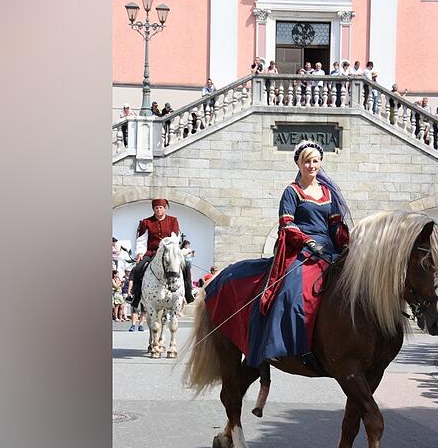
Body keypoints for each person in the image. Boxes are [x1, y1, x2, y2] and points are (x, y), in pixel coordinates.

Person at [203, 140, 351, 417]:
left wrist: (345, 242)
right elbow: (287, 225)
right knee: (293, 289)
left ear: (320, 163)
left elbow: (334, 224)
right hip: (301, 250)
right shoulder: (291, 191)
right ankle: (286, 345)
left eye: (315, 161)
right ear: (299, 164)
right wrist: (308, 242)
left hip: (329, 250)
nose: (312, 165)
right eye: (307, 161)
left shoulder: (328, 192)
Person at [129, 198, 195, 308]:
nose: (158, 210)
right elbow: (142, 239)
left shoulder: (173, 220)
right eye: (156, 208)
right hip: (152, 252)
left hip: (169, 251)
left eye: (160, 208)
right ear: (153, 209)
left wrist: (170, 248)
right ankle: (135, 295)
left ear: (165, 209)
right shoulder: (146, 222)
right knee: (137, 268)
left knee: (186, 266)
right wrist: (140, 253)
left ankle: (189, 293)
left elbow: (175, 237)